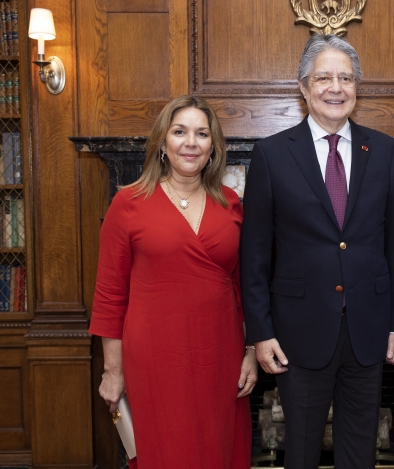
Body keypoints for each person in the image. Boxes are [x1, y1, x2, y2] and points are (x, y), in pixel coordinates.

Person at [240, 34, 394, 469]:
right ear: (303, 87)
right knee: (299, 453)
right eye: (324, 78)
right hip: (297, 331)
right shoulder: (272, 154)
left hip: (369, 330)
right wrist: (260, 333)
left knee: (360, 455)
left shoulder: (385, 150)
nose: (336, 87)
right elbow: (255, 254)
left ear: (357, 88)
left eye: (346, 78)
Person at [90, 95, 256, 468]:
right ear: (163, 142)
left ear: (213, 147)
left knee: (220, 450)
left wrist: (250, 354)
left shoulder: (230, 203)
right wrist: (112, 372)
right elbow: (110, 296)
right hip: (154, 359)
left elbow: (245, 289)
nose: (191, 142)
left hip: (221, 356)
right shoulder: (128, 203)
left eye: (201, 133)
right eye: (180, 132)